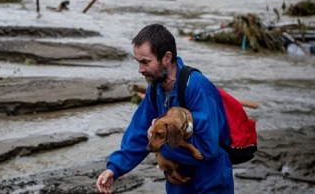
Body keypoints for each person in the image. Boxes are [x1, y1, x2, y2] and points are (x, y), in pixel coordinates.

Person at [95, 24, 234, 193]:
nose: (140, 69)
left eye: (145, 62)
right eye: (138, 62)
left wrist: (161, 143)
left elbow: (207, 149)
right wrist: (114, 169)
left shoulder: (197, 88)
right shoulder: (156, 89)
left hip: (210, 184)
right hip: (178, 184)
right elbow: (139, 132)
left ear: (167, 58)